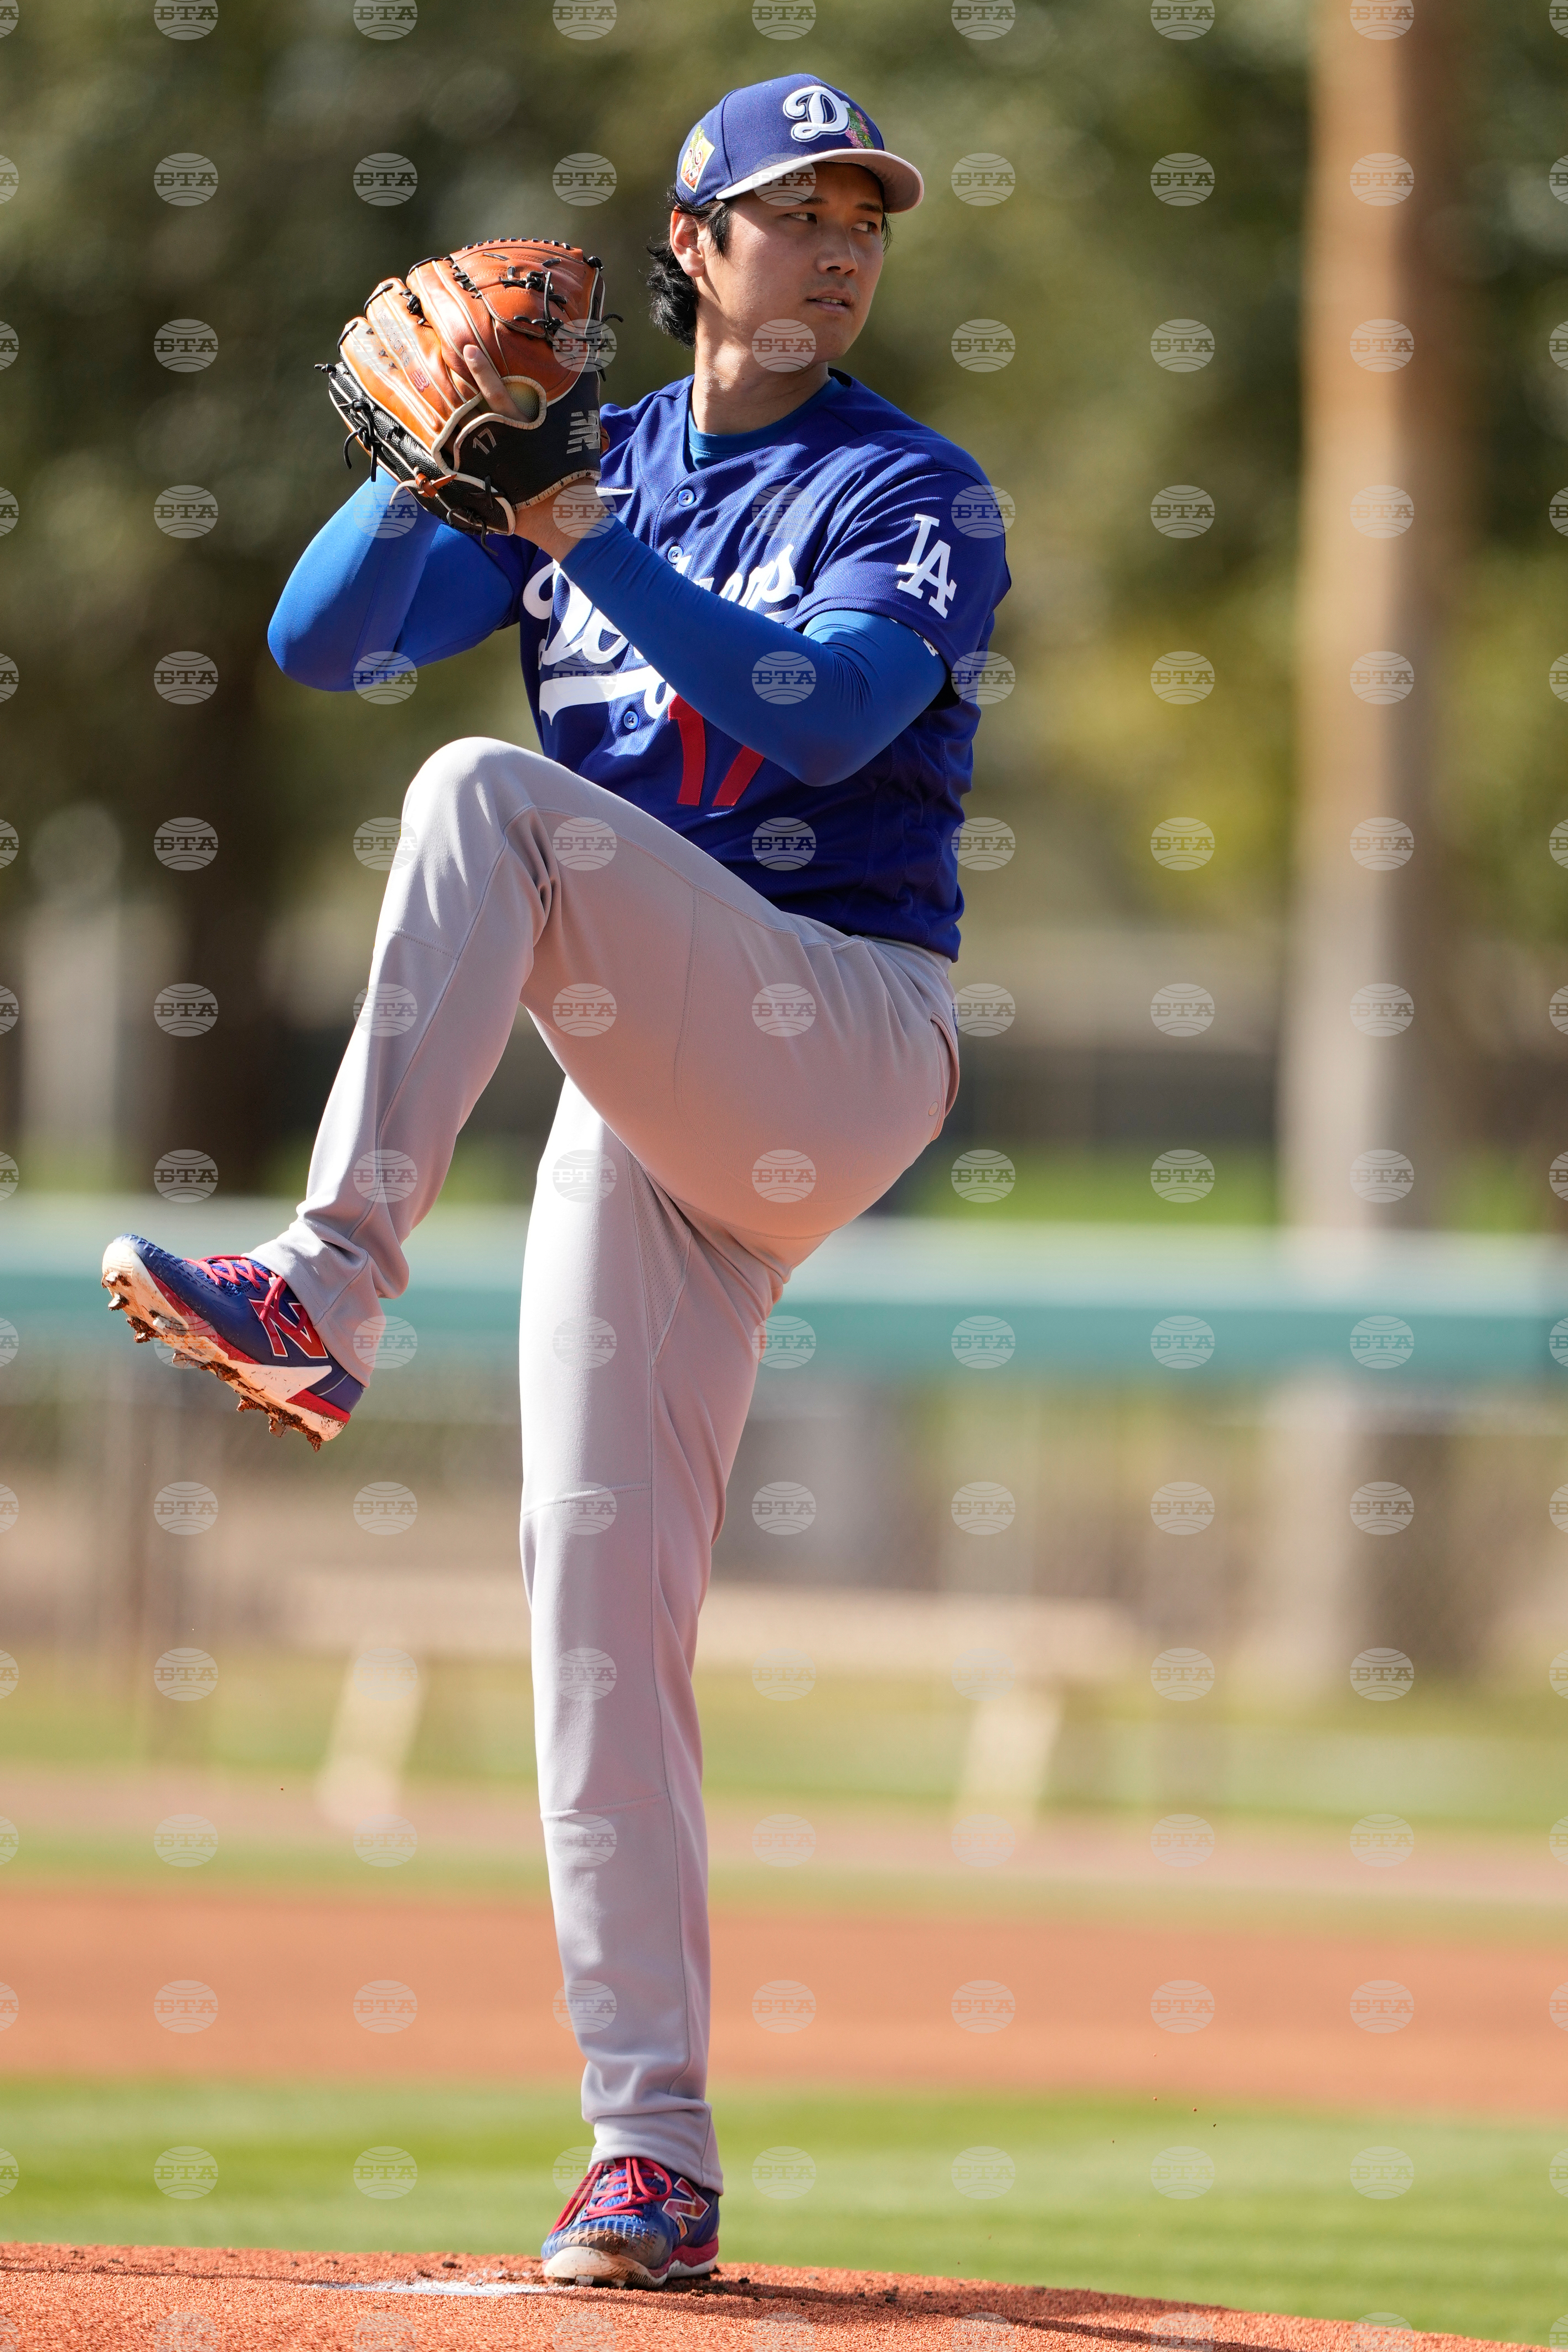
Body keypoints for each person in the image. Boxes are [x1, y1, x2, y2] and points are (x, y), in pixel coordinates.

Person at [102, 70, 1009, 2287]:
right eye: (789, 212)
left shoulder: (908, 485)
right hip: (655, 1092)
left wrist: (571, 532)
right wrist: (433, 460)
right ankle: (650, 2155)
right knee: (592, 1605)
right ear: (690, 249)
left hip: (840, 1028)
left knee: (479, 800)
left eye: (862, 217)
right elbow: (322, 644)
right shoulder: (586, 457)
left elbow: (824, 717)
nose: (836, 247)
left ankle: (329, 1281)